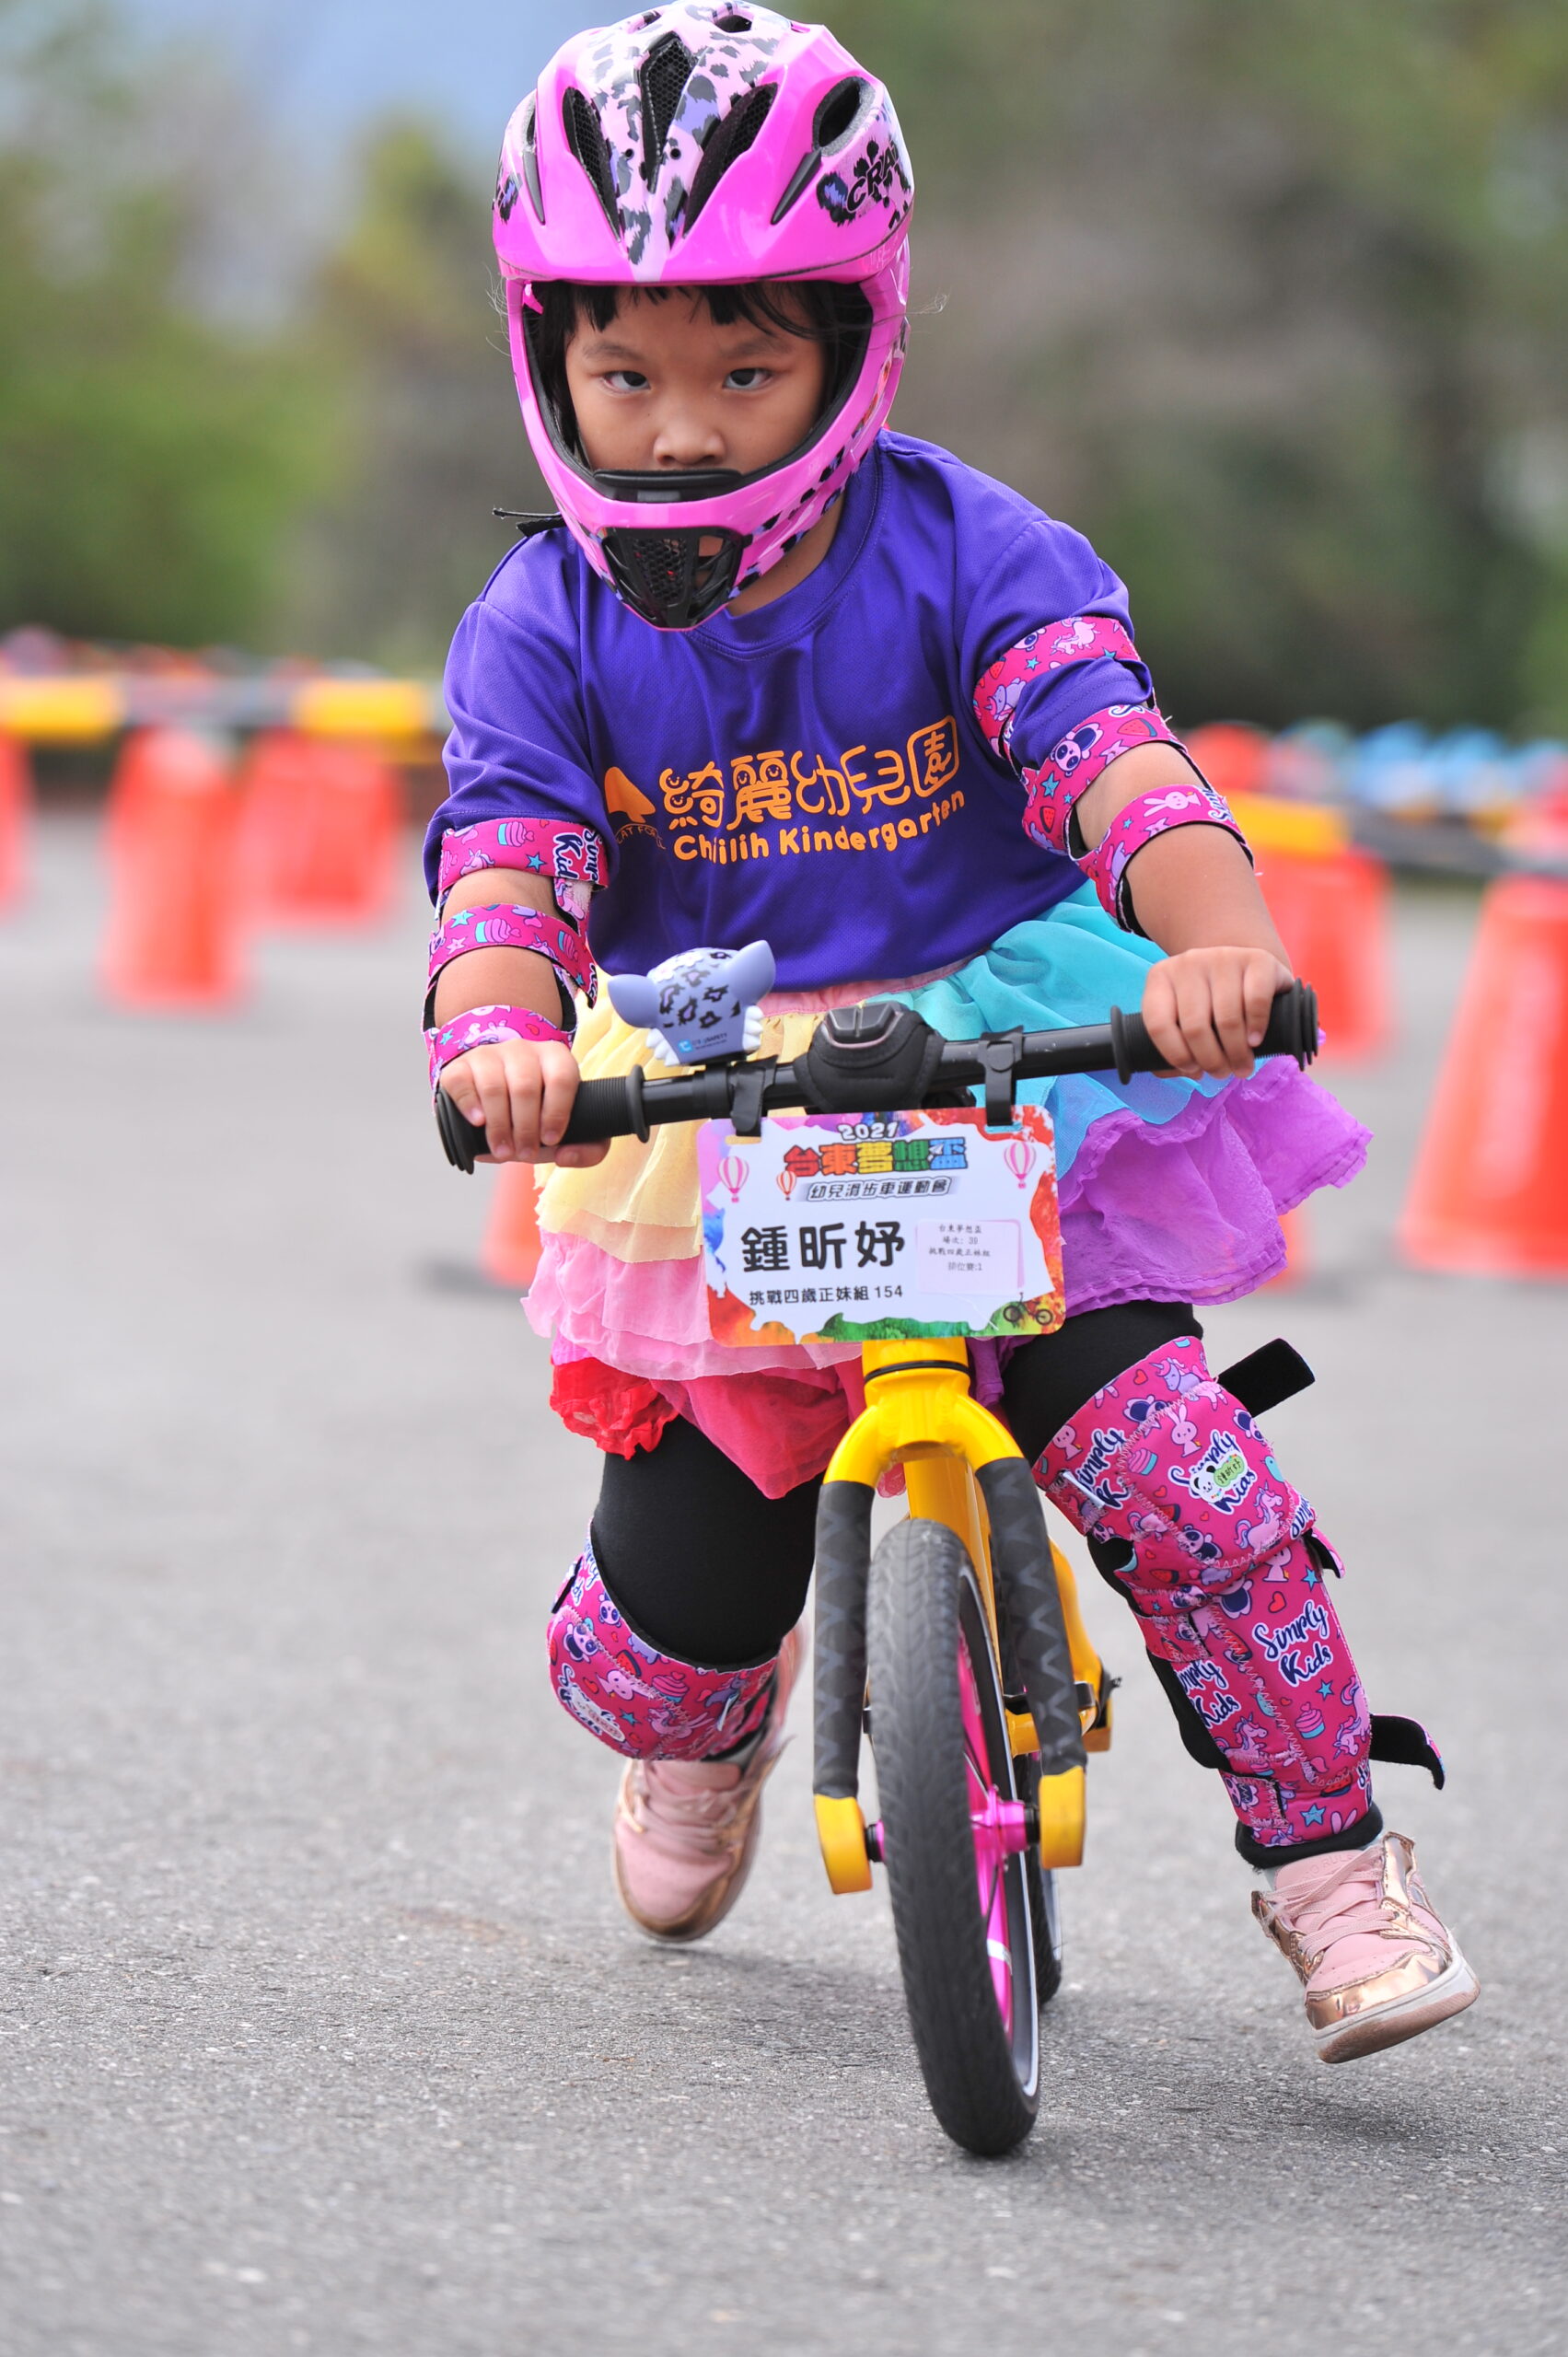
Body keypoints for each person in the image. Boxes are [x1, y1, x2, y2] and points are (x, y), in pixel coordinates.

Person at [424, 1, 1477, 2062]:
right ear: (549, 357)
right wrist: (499, 1035)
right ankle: (707, 1732)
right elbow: (509, 864)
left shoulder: (973, 549)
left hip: (1008, 1071)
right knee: (670, 1618)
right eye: (628, 373)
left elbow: (1116, 761)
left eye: (744, 370)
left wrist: (1218, 945)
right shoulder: (539, 624)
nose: (678, 431)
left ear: (856, 342)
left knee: (1189, 1486)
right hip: (729, 1097)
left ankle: (1332, 1868)